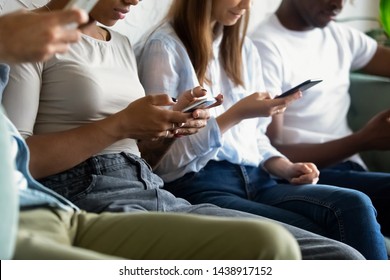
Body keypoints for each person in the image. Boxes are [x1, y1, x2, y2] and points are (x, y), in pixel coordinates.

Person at [0, 0, 367, 260]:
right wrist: (121, 124)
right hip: (88, 194)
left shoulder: (122, 44)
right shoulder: (30, 37)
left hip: (149, 185)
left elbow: (147, 158)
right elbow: (18, 164)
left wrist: (169, 127)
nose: (134, 0)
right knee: (280, 248)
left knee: (338, 257)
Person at [135, 0, 387, 259]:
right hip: (200, 184)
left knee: (355, 204)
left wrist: (284, 166)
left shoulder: (243, 49)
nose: (246, 6)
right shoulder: (164, 48)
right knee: (320, 232)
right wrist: (236, 114)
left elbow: (254, 137)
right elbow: (163, 161)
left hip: (257, 178)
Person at [249, 0, 390, 240]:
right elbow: (273, 151)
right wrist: (361, 141)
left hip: (352, 169)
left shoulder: (339, 36)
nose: (339, 4)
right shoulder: (265, 47)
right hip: (305, 175)